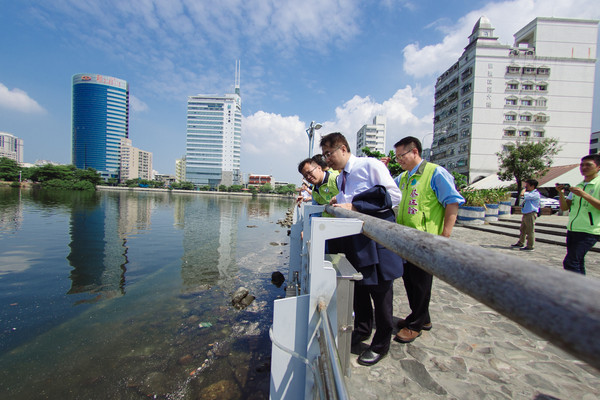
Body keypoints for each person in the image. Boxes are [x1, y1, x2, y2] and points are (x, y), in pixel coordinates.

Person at [320, 132, 403, 366]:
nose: (328, 159)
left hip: (376, 241)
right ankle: (363, 329)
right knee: (360, 290)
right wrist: (340, 201)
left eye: (330, 153)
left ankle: (381, 343)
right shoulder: (339, 178)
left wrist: (355, 204)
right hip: (355, 242)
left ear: (344, 148)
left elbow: (394, 196)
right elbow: (349, 201)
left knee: (381, 293)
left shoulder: (369, 165)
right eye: (325, 155)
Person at [392, 136, 464, 344]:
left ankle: (415, 325)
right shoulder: (404, 178)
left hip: (426, 240)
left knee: (421, 283)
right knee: (410, 281)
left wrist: (445, 235)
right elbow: (388, 188)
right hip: (406, 239)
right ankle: (423, 318)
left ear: (414, 152)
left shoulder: (435, 173)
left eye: (401, 156)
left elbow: (452, 202)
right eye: (397, 158)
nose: (400, 161)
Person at [556, 154, 600, 275]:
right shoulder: (579, 185)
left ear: (598, 167)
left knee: (570, 262)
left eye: (588, 165)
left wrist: (584, 195)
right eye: (582, 165)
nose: (584, 167)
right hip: (574, 228)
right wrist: (561, 193)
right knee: (578, 262)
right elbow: (565, 207)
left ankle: (575, 290)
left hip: (590, 230)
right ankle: (582, 289)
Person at [511, 179, 540, 251]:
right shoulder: (530, 193)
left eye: (527, 185)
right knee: (522, 229)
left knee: (530, 230)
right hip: (526, 213)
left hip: (531, 213)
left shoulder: (535, 194)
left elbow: (522, 194)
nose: (526, 186)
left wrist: (524, 189)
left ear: (532, 186)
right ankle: (521, 242)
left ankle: (530, 245)